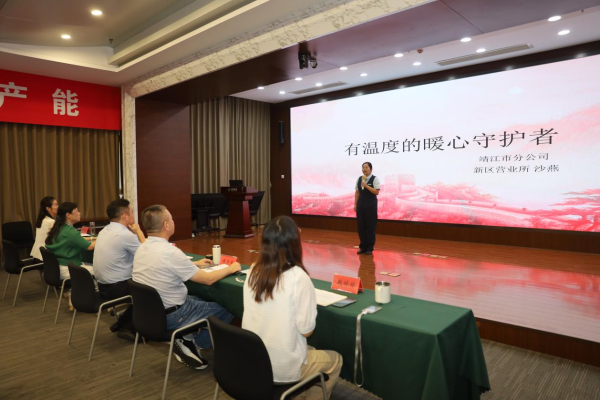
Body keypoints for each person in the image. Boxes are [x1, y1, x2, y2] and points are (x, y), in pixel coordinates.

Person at [243, 216, 342, 400]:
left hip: (253, 361)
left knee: (309, 350)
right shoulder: (298, 278)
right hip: (282, 368)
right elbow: (306, 331)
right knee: (336, 360)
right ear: (294, 243)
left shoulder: (253, 271)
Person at [133, 204, 241, 370]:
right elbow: (208, 280)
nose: (173, 221)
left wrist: (194, 264)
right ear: (166, 225)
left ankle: (186, 337)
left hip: (149, 312)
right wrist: (231, 268)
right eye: (171, 219)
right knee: (228, 307)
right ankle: (195, 344)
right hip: (173, 315)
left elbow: (165, 266)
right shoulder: (170, 252)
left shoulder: (142, 248)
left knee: (199, 298)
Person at [93, 199, 145, 340]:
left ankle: (122, 322)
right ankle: (129, 328)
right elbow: (148, 254)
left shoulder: (104, 230)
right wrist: (139, 232)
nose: (134, 215)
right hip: (116, 288)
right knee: (150, 291)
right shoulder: (125, 235)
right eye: (132, 212)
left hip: (102, 286)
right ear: (125, 216)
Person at [45, 202, 95, 280]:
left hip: (57, 267)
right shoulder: (69, 231)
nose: (79, 213)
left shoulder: (59, 227)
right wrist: (101, 239)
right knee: (99, 271)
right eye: (77, 211)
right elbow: (89, 246)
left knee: (92, 266)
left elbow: (76, 239)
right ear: (68, 215)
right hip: (68, 268)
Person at [354, 162, 380, 255]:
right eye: (363, 167)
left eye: (366, 167)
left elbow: (376, 192)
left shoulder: (375, 179)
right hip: (361, 205)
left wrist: (366, 186)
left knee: (370, 227)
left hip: (371, 206)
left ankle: (370, 247)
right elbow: (357, 192)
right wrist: (355, 204)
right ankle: (363, 247)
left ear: (371, 169)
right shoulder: (359, 179)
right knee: (361, 227)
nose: (364, 169)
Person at [31, 196, 58, 262]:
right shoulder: (51, 222)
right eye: (55, 205)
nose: (58, 207)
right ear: (48, 208)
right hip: (45, 257)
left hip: (37, 254)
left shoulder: (42, 219)